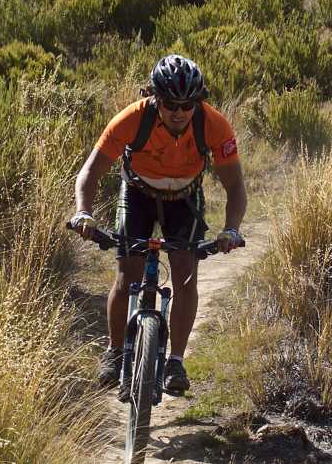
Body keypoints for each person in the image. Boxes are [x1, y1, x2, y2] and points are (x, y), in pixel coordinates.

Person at [70, 54, 247, 394]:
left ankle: (176, 362)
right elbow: (90, 172)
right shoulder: (132, 120)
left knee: (185, 276)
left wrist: (232, 229)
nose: (178, 112)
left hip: (185, 198)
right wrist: (84, 212)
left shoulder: (213, 125)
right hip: (137, 193)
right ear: (154, 97)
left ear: (199, 101)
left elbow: (235, 187)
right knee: (127, 276)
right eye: (169, 104)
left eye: (187, 105)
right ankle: (115, 350)